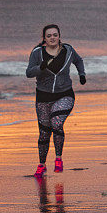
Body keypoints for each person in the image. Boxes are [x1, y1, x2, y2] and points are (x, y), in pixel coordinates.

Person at [25, 24, 85, 177]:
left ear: (59, 36)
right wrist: (41, 67)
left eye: (55, 35)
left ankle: (58, 158)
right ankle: (42, 165)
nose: (52, 38)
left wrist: (82, 74)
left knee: (56, 123)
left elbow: (78, 60)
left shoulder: (68, 50)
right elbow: (29, 73)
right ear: (44, 39)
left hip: (65, 94)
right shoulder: (37, 53)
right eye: (49, 36)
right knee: (44, 133)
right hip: (43, 97)